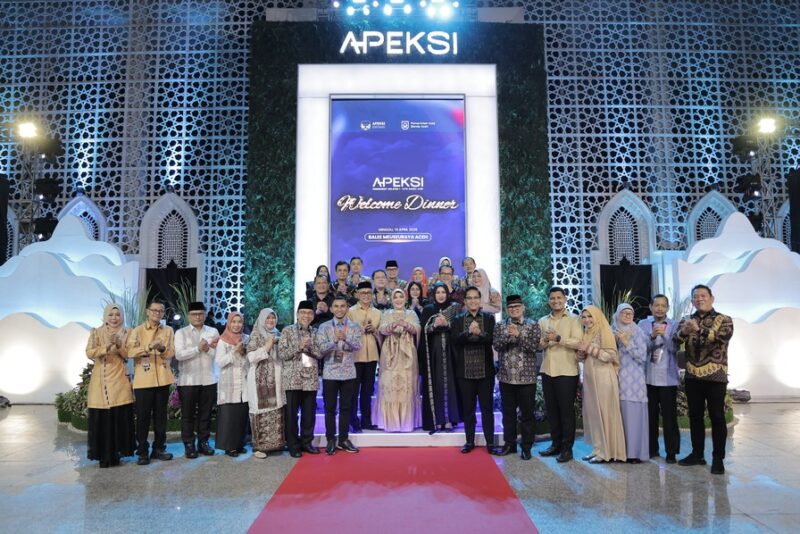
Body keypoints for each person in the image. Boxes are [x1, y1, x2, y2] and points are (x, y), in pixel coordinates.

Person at [675, 284, 733, 475]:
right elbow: (675, 341)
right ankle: (697, 454)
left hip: (716, 375)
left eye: (703, 295)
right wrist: (684, 332)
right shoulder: (686, 320)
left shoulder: (724, 319)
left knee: (717, 416)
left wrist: (698, 329)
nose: (699, 299)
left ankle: (718, 459)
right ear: (692, 300)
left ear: (711, 298)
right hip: (692, 375)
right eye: (695, 296)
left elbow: (722, 338)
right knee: (695, 416)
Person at [492, 295, 541, 460]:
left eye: (517, 307)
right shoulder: (500, 325)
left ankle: (526, 447)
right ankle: (509, 444)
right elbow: (497, 345)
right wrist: (509, 336)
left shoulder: (533, 324)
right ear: (507, 309)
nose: (514, 310)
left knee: (527, 414)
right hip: (506, 377)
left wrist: (519, 335)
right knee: (508, 413)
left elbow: (534, 347)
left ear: (523, 308)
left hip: (527, 378)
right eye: (511, 307)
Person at [126, 300, 176, 465]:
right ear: (147, 312)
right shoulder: (137, 330)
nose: (157, 313)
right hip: (143, 381)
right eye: (154, 310)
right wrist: (148, 347)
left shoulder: (168, 330)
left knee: (161, 417)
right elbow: (130, 352)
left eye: (161, 311)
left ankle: (159, 448)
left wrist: (161, 349)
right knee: (143, 418)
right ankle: (142, 451)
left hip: (163, 379)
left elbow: (171, 353)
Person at [85, 304, 135, 468]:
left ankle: (117, 453)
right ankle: (102, 455)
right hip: (101, 379)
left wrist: (119, 345)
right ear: (105, 316)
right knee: (103, 418)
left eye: (118, 314)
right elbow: (89, 352)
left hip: (119, 377)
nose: (114, 318)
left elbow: (129, 354)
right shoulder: (96, 332)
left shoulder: (128, 332)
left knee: (117, 416)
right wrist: (106, 346)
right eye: (111, 314)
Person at [537, 287, 583, 463]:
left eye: (559, 297)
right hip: (548, 370)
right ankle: (555, 444)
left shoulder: (575, 319)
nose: (555, 300)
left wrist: (558, 338)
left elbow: (579, 343)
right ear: (549, 300)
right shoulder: (543, 321)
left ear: (565, 299)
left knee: (566, 412)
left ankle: (567, 449)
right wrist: (546, 341)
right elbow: (539, 346)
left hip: (567, 371)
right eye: (552, 298)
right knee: (553, 411)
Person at [577, 306, 627, 463]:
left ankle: (607, 452)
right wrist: (581, 355)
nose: (586, 320)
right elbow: (587, 356)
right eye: (584, 317)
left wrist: (590, 349)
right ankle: (598, 448)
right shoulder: (587, 332)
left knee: (605, 412)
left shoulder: (604, 330)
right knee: (594, 413)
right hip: (591, 376)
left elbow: (610, 356)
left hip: (604, 376)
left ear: (597, 317)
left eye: (589, 316)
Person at [315, 295, 362, 455]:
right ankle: (330, 439)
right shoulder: (324, 327)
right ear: (331, 309)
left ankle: (343, 439)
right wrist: (334, 340)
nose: (340, 309)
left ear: (347, 308)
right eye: (336, 306)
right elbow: (320, 350)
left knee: (346, 408)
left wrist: (346, 338)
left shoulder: (354, 326)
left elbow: (357, 346)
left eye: (343, 306)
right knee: (329, 409)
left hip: (349, 372)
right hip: (330, 373)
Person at [452, 286, 497, 453]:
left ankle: (490, 443)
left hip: (485, 371)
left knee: (487, 409)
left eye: (475, 298)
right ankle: (469, 442)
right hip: (464, 371)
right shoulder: (457, 319)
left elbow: (492, 339)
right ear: (465, 301)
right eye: (469, 298)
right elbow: (455, 341)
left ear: (480, 300)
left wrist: (479, 333)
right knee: (468, 409)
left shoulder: (488, 319)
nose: (472, 301)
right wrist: (467, 333)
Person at [174, 301, 220, 458]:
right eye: (194, 314)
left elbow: (217, 355)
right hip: (188, 380)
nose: (198, 317)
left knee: (205, 414)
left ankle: (203, 442)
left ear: (205, 314)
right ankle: (188, 444)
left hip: (208, 379)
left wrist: (207, 350)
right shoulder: (181, 333)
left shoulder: (213, 331)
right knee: (187, 415)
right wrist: (197, 349)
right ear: (188, 316)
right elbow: (179, 355)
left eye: (201, 313)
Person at [638, 294, 680, 463]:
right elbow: (641, 349)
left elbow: (674, 348)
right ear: (651, 307)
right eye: (657, 305)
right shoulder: (642, 324)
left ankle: (671, 452)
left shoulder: (675, 325)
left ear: (667, 308)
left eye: (663, 305)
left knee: (670, 417)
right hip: (648, 378)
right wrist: (653, 337)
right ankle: (651, 449)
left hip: (668, 378)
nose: (660, 308)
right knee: (650, 416)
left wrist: (665, 337)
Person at [279, 300, 323, 458]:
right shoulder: (287, 331)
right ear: (297, 314)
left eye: (309, 313)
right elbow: (282, 354)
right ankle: (293, 445)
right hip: (292, 379)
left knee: (309, 414)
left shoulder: (316, 332)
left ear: (313, 315)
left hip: (310, 378)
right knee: (291, 414)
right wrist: (299, 345)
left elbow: (320, 354)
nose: (306, 315)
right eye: (303, 312)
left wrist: (310, 346)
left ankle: (307, 443)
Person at [374, 289, 420, 432]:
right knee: (389, 383)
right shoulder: (386, 313)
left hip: (407, 354)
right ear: (392, 299)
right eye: (396, 297)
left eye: (401, 296)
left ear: (405, 299)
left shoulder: (411, 314)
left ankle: (406, 423)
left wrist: (407, 325)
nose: (399, 299)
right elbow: (381, 330)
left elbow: (418, 329)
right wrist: (392, 326)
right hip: (390, 354)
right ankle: (389, 422)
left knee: (407, 384)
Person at [419, 282, 462, 433]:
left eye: (443, 292)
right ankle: (437, 420)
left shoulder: (455, 308)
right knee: (436, 384)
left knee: (450, 384)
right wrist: (434, 325)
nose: (441, 295)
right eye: (438, 292)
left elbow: (459, 329)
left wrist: (448, 324)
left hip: (451, 353)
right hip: (434, 354)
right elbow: (424, 331)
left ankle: (450, 419)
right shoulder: (429, 309)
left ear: (447, 293)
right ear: (433, 294)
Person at [246, 308, 284, 459]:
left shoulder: (279, 334)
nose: (270, 321)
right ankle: (259, 446)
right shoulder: (255, 335)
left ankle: (275, 444)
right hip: (259, 380)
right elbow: (251, 357)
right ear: (262, 319)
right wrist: (268, 345)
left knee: (276, 409)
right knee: (259, 410)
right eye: (267, 318)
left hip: (276, 378)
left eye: (273, 318)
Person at [613, 303, 649, 463]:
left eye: (630, 313)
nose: (627, 316)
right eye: (624, 313)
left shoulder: (638, 332)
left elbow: (642, 356)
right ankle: (619, 452)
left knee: (633, 415)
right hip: (616, 377)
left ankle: (634, 453)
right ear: (618, 314)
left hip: (634, 380)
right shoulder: (611, 330)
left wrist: (627, 342)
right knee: (619, 415)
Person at [347, 281, 382, 433]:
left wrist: (374, 330)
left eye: (369, 293)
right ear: (357, 294)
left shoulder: (378, 313)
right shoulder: (351, 312)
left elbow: (382, 336)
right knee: (354, 391)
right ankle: (353, 420)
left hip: (372, 356)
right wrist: (359, 329)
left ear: (372, 295)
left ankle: (366, 421)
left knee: (367, 391)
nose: (366, 295)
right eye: (363, 293)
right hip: (356, 356)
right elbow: (346, 332)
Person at [213, 312, 250, 457]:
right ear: (229, 323)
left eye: (239, 322)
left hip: (243, 382)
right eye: (233, 322)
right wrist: (235, 351)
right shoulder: (222, 341)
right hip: (228, 383)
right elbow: (220, 362)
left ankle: (239, 444)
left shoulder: (247, 339)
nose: (236, 325)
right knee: (229, 417)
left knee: (241, 416)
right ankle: (229, 446)